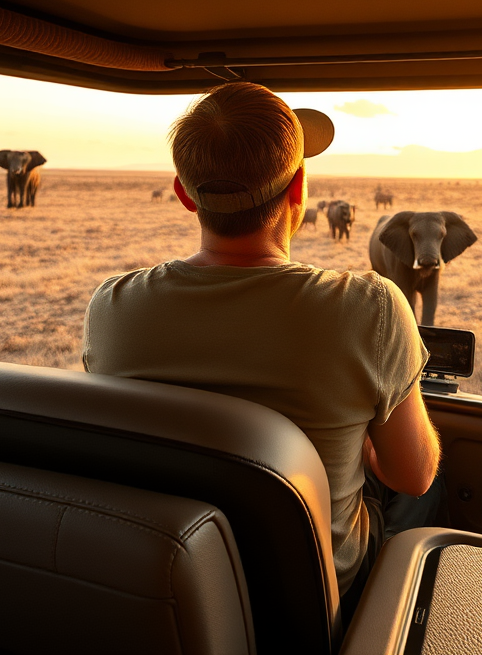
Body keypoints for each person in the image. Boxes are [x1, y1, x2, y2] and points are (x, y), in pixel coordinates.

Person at [82, 82, 442, 614]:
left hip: (170, 596)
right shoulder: (371, 308)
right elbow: (413, 475)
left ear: (184, 194)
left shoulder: (112, 306)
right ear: (299, 189)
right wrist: (360, 445)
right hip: (316, 607)